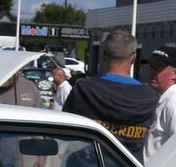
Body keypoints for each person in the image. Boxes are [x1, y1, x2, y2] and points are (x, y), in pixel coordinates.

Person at [61, 28, 157, 158]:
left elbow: (65, 132)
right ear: (133, 58)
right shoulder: (149, 97)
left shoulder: (84, 89)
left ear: (104, 55)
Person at [142, 46, 176, 159]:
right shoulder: (165, 100)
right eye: (151, 67)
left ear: (175, 73)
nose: (151, 72)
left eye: (158, 68)